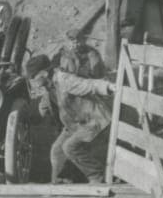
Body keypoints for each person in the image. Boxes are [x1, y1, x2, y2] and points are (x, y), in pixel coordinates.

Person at [28, 54, 114, 184]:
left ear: (44, 73)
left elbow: (88, 84)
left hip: (93, 120)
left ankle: (97, 176)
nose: (32, 81)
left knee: (69, 147)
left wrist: (108, 87)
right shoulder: (48, 87)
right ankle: (60, 182)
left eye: (33, 77)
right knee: (56, 150)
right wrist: (33, 115)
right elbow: (44, 106)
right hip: (74, 125)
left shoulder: (64, 79)